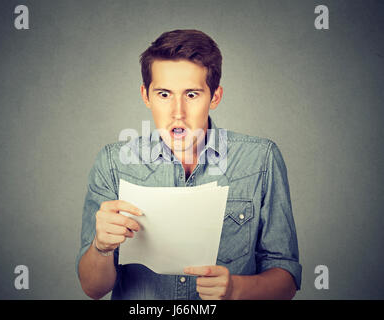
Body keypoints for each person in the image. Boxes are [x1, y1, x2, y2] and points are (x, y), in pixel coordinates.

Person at [76, 29, 302, 300]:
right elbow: (93, 289)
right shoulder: (113, 163)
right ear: (146, 96)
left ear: (215, 97)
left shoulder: (261, 159)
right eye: (163, 94)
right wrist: (101, 247)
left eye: (192, 95)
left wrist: (235, 289)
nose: (177, 112)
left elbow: (286, 280)